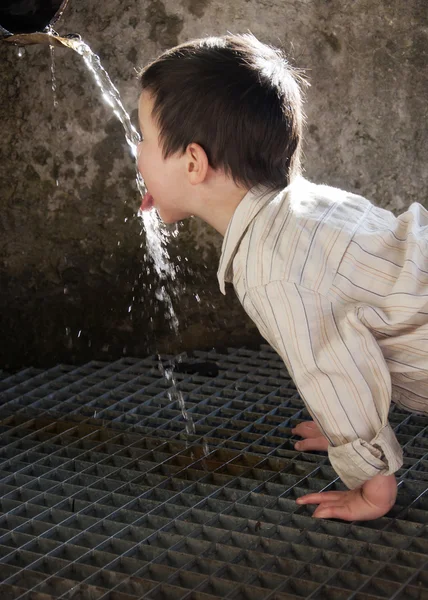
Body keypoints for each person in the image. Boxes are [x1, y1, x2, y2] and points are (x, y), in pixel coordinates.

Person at [136, 33, 428, 521]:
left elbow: (335, 369)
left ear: (193, 163)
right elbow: (365, 319)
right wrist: (339, 423)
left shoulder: (273, 271)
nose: (137, 153)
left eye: (142, 138)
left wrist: (367, 479)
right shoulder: (308, 205)